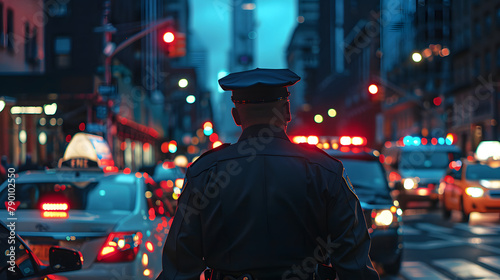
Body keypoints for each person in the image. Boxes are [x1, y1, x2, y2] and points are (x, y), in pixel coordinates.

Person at [157, 68, 379, 280]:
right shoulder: (326, 171)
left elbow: (180, 265)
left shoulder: (204, 172)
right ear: (287, 112)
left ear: (236, 116)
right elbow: (354, 264)